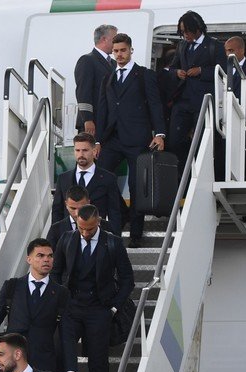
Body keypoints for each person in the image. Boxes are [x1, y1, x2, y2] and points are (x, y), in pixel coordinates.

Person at [50, 204, 133, 372]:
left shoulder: (113, 243)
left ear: (98, 222)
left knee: (98, 365)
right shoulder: (67, 239)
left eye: (90, 229)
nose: (85, 233)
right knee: (63, 359)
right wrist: (60, 299)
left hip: (99, 310)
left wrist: (113, 308)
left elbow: (128, 279)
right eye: (81, 228)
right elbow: (56, 271)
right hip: (71, 308)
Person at [0, 238, 77, 372]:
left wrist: (70, 371)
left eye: (50, 256)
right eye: (40, 255)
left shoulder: (61, 293)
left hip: (43, 365)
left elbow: (67, 335)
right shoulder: (12, 287)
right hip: (10, 363)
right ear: (29, 259)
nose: (46, 259)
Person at [95, 33, 166, 248]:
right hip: (112, 139)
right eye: (115, 51)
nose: (119, 54)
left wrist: (160, 133)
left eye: (123, 50)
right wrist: (98, 141)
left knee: (137, 187)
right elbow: (103, 110)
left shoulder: (144, 75)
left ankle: (136, 234)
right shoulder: (108, 78)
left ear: (131, 50)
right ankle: (123, 212)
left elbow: (155, 105)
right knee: (99, 176)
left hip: (138, 139)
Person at [168, 10, 226, 177]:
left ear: (198, 28)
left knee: (202, 142)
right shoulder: (182, 46)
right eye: (182, 32)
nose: (185, 35)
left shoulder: (215, 46)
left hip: (204, 102)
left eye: (187, 31)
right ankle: (183, 176)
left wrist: (201, 71)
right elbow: (171, 68)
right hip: (183, 101)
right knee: (174, 141)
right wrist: (177, 72)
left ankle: (200, 177)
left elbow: (223, 73)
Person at [52, 132, 122, 235]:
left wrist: (116, 238)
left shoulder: (108, 179)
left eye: (85, 150)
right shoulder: (63, 179)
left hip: (97, 236)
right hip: (68, 237)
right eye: (77, 150)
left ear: (94, 151)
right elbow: (57, 211)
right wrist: (56, 237)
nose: (81, 154)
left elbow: (115, 213)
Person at [75, 24, 118, 134]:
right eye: (115, 39)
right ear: (104, 39)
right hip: (93, 122)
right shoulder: (87, 60)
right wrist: (87, 119)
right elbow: (83, 91)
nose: (117, 43)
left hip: (108, 122)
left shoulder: (114, 64)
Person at [224, 36, 246, 180]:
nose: (228, 54)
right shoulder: (223, 70)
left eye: (231, 50)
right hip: (228, 126)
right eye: (226, 51)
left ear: (242, 50)